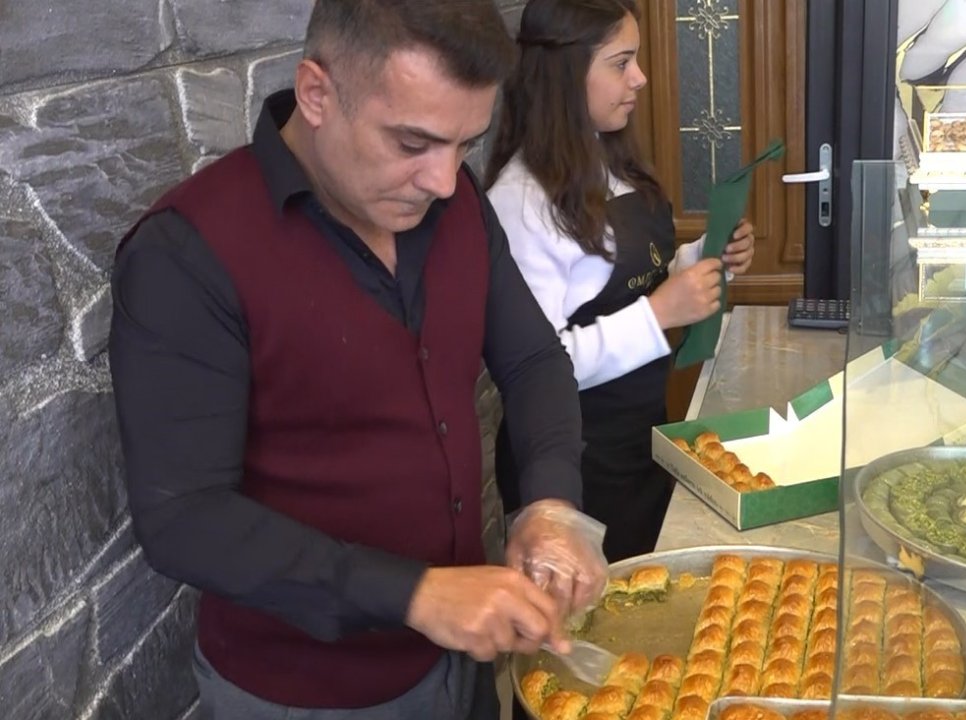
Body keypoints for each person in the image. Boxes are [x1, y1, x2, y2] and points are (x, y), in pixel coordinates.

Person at [107, 1, 607, 718]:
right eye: (412, 143)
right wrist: (415, 593)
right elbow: (184, 519)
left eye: (464, 144)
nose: (442, 179)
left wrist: (553, 505)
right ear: (317, 93)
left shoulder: (456, 199)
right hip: (306, 693)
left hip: (462, 662)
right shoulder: (188, 253)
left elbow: (530, 359)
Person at [485, 0, 756, 564]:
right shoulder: (518, 202)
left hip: (640, 438)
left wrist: (704, 258)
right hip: (574, 467)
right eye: (621, 62)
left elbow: (634, 276)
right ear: (565, 71)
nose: (641, 78)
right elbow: (537, 365)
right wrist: (660, 314)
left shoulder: (608, 158)